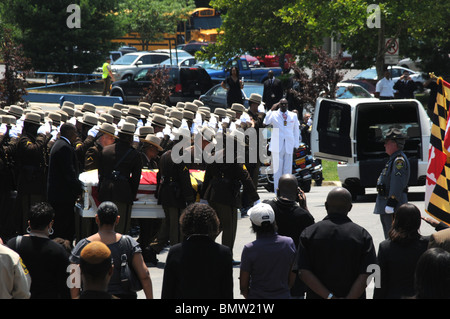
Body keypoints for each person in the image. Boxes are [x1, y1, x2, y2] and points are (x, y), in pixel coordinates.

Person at [297, 187, 377, 299]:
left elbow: (303, 272)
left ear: (326, 206)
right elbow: (368, 272)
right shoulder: (362, 235)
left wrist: (330, 297)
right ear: (350, 208)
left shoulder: (309, 234)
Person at [70, 201, 153, 299]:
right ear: (117, 220)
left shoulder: (82, 245)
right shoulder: (128, 243)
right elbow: (145, 275)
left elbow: (74, 280)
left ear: (97, 219)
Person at [200, 132, 260, 262]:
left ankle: (204, 249)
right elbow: (246, 177)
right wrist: (255, 198)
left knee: (217, 225)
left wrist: (203, 197)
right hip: (227, 196)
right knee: (229, 227)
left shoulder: (213, 155)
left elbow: (207, 177)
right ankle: (226, 256)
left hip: (212, 194)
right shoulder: (234, 157)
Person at [161, 203, 233, 299]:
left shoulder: (175, 251)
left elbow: (168, 290)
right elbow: (227, 291)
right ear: (213, 223)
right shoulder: (224, 252)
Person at [264, 174, 315, 298]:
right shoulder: (304, 216)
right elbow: (312, 235)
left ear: (277, 191)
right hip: (295, 278)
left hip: (269, 274)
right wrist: (304, 207)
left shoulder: (267, 209)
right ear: (298, 192)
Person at [6, 202, 70, 299]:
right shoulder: (58, 251)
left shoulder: (13, 244)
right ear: (50, 224)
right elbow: (66, 287)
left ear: (29, 223)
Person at [240, 203, 296, 299]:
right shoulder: (288, 243)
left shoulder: (249, 249)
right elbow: (292, 276)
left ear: (252, 223)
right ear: (273, 221)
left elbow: (243, 287)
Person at [373, 203, 429, 299]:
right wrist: (439, 225)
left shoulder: (385, 247)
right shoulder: (427, 244)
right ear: (418, 222)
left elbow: (378, 280)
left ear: (396, 221)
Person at [97, 122, 142, 235]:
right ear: (131, 138)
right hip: (123, 193)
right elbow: (135, 179)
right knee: (120, 229)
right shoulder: (135, 154)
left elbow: (100, 174)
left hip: (105, 190)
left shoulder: (106, 150)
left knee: (104, 225)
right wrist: (131, 196)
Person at [47, 123, 83, 241]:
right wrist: (79, 189)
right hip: (62, 196)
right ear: (70, 133)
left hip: (58, 195)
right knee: (63, 227)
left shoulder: (59, 144)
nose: (76, 136)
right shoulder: (64, 147)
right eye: (75, 133)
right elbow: (69, 173)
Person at [374, 128, 410, 239]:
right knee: (389, 236)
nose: (384, 145)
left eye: (387, 142)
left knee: (393, 237)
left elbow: (397, 183)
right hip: (388, 203)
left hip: (393, 205)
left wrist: (392, 202)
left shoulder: (399, 161)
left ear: (394, 144)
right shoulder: (393, 159)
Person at [263, 98, 300, 192]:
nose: (283, 106)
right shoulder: (274, 114)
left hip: (289, 145)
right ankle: (277, 192)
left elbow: (296, 131)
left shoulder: (293, 115)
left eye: (285, 104)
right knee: (277, 171)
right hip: (276, 145)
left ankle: (287, 193)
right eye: (281, 104)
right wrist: (271, 109)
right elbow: (265, 122)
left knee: (287, 171)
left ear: (287, 105)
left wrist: (296, 145)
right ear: (279, 105)